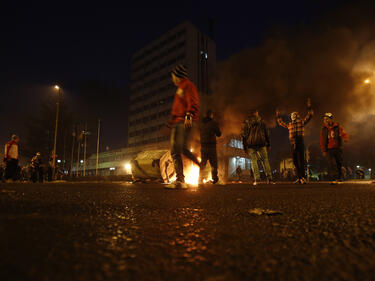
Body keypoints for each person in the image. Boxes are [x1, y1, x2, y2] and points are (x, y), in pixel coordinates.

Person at [165, 65, 200, 189]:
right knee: (183, 149)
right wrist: (170, 123)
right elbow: (177, 109)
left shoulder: (187, 85)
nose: (172, 79)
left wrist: (189, 114)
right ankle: (200, 165)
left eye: (173, 76)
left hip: (182, 121)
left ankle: (180, 180)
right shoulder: (180, 88)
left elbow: (193, 100)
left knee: (175, 151)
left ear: (178, 75)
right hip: (178, 122)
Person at [276, 98, 313, 184]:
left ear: (297, 116)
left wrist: (309, 106)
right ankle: (299, 177)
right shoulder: (290, 124)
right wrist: (277, 114)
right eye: (292, 116)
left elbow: (309, 115)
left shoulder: (301, 122)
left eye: (294, 116)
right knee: (295, 161)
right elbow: (280, 123)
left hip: (300, 142)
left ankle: (302, 178)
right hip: (293, 143)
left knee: (301, 160)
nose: (293, 117)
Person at [241, 109, 274, 186]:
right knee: (265, 160)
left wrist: (244, 146)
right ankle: (269, 178)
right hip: (262, 143)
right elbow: (267, 133)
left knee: (254, 162)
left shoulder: (246, 122)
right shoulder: (262, 121)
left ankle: (257, 179)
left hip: (251, 144)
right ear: (257, 113)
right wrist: (268, 144)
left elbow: (243, 135)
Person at [320, 113, 349, 184]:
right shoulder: (324, 129)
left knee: (339, 163)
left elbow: (343, 133)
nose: (325, 120)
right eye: (324, 119)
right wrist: (323, 150)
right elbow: (322, 140)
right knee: (332, 164)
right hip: (329, 149)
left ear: (331, 119)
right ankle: (335, 178)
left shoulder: (337, 127)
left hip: (337, 148)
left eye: (327, 119)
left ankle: (339, 178)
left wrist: (345, 138)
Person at [199, 109, 221, 184]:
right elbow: (219, 134)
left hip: (203, 146)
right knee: (214, 164)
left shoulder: (201, 124)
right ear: (211, 115)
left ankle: (200, 179)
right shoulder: (213, 123)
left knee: (203, 163)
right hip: (211, 146)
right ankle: (215, 179)